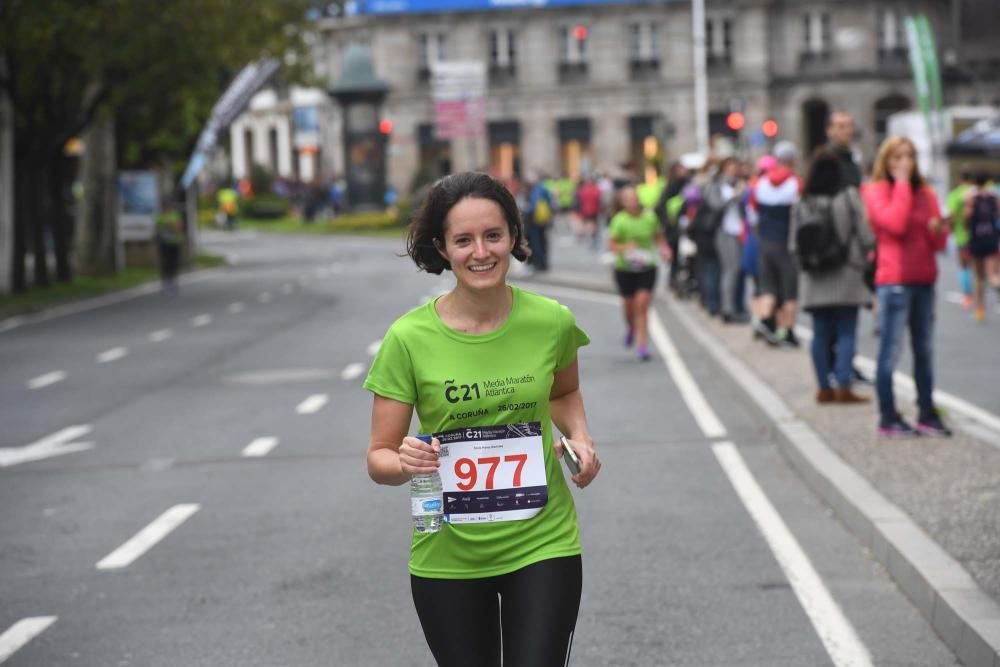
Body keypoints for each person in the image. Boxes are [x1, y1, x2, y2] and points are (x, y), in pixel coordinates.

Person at [364, 172, 600, 667]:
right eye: (463, 240)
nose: (481, 252)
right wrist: (404, 460)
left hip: (543, 543)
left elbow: (565, 392)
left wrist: (579, 437)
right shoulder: (408, 339)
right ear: (442, 248)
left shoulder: (551, 321)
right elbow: (378, 457)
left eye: (493, 235)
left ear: (513, 236)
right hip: (447, 556)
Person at [862, 136, 952, 437]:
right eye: (897, 158)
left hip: (924, 277)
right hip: (894, 280)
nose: (904, 163)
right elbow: (896, 225)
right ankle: (888, 416)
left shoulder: (925, 193)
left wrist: (941, 229)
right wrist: (901, 185)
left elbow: (937, 242)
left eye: (909, 157)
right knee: (890, 350)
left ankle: (926, 411)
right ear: (885, 161)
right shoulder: (876, 191)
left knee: (924, 350)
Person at [790, 148, 875, 403]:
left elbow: (793, 245)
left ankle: (823, 387)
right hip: (847, 273)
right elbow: (867, 236)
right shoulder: (848, 196)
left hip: (814, 277)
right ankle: (844, 385)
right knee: (847, 331)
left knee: (820, 333)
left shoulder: (802, 201)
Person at [608, 185, 672, 361]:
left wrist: (665, 249)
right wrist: (625, 247)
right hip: (625, 269)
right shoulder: (619, 220)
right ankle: (631, 327)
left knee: (642, 305)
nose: (632, 202)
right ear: (622, 203)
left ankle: (642, 345)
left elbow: (658, 237)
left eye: (634, 198)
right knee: (629, 308)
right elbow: (611, 246)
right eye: (627, 199)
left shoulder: (649, 218)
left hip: (647, 267)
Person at [750, 141, 802, 347]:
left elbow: (753, 216)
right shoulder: (796, 183)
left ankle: (764, 319)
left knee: (768, 284)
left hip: (765, 241)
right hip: (787, 242)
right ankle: (786, 330)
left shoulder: (759, 184)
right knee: (789, 289)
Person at [705, 157, 749, 323]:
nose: (733, 171)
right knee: (730, 269)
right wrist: (734, 196)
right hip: (725, 232)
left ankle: (739, 306)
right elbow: (716, 205)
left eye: (735, 167)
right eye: (730, 168)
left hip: (741, 232)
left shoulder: (740, 183)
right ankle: (727, 308)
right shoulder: (717, 186)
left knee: (741, 271)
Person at [962, 171, 1000, 321]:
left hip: (977, 240)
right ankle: (996, 283)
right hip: (991, 238)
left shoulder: (971, 198)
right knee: (992, 274)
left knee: (979, 277)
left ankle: (980, 309)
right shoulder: (994, 198)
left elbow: (966, 217)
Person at [946, 170, 976, 309]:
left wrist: (946, 227)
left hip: (962, 237)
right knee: (979, 269)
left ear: (960, 179)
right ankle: (981, 299)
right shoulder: (978, 193)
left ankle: (968, 296)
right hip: (982, 237)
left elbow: (951, 216)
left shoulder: (956, 194)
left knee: (964, 266)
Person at [523, 173, 558, 271]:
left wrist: (526, 210)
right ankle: (543, 263)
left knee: (536, 241)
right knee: (543, 241)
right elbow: (550, 203)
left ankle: (539, 263)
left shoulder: (536, 190)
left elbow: (533, 206)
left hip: (535, 220)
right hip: (543, 219)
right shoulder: (544, 189)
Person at [826, 111, 863, 188]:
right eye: (841, 126)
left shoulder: (853, 158)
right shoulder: (824, 161)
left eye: (850, 126)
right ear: (829, 130)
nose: (847, 131)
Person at [156, 203, 184, 293]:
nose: (166, 208)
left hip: (174, 242)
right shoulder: (161, 216)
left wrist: (171, 225)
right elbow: (157, 227)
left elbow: (179, 227)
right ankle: (166, 281)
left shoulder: (174, 215)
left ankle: (173, 280)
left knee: (174, 262)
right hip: (164, 243)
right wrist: (169, 225)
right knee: (165, 262)